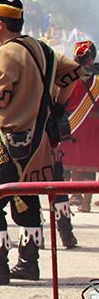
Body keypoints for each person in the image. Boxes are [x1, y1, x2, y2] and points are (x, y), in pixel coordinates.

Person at [0, 0, 80, 285]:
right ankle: (28, 264)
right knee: (26, 200)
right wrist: (58, 107)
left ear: (0, 25)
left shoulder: (5, 55)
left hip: (7, 140)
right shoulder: (42, 48)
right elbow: (73, 73)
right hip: (37, 141)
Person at [61, 41, 99, 213]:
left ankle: (73, 196)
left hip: (73, 123)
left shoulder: (69, 75)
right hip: (91, 124)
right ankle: (85, 201)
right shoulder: (96, 78)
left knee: (75, 160)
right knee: (88, 161)